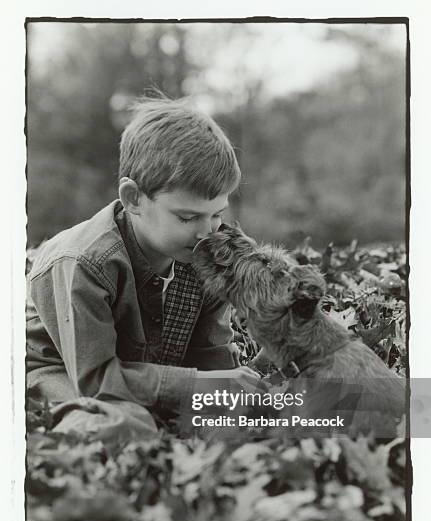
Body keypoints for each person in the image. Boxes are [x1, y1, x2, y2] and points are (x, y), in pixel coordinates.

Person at [26, 95, 260, 430]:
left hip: (144, 376)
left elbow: (209, 359)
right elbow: (96, 382)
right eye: (188, 217)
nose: (206, 232)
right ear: (134, 199)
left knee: (242, 417)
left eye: (217, 215)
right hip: (61, 376)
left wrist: (228, 391)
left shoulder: (204, 257)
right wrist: (200, 388)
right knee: (126, 425)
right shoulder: (84, 263)